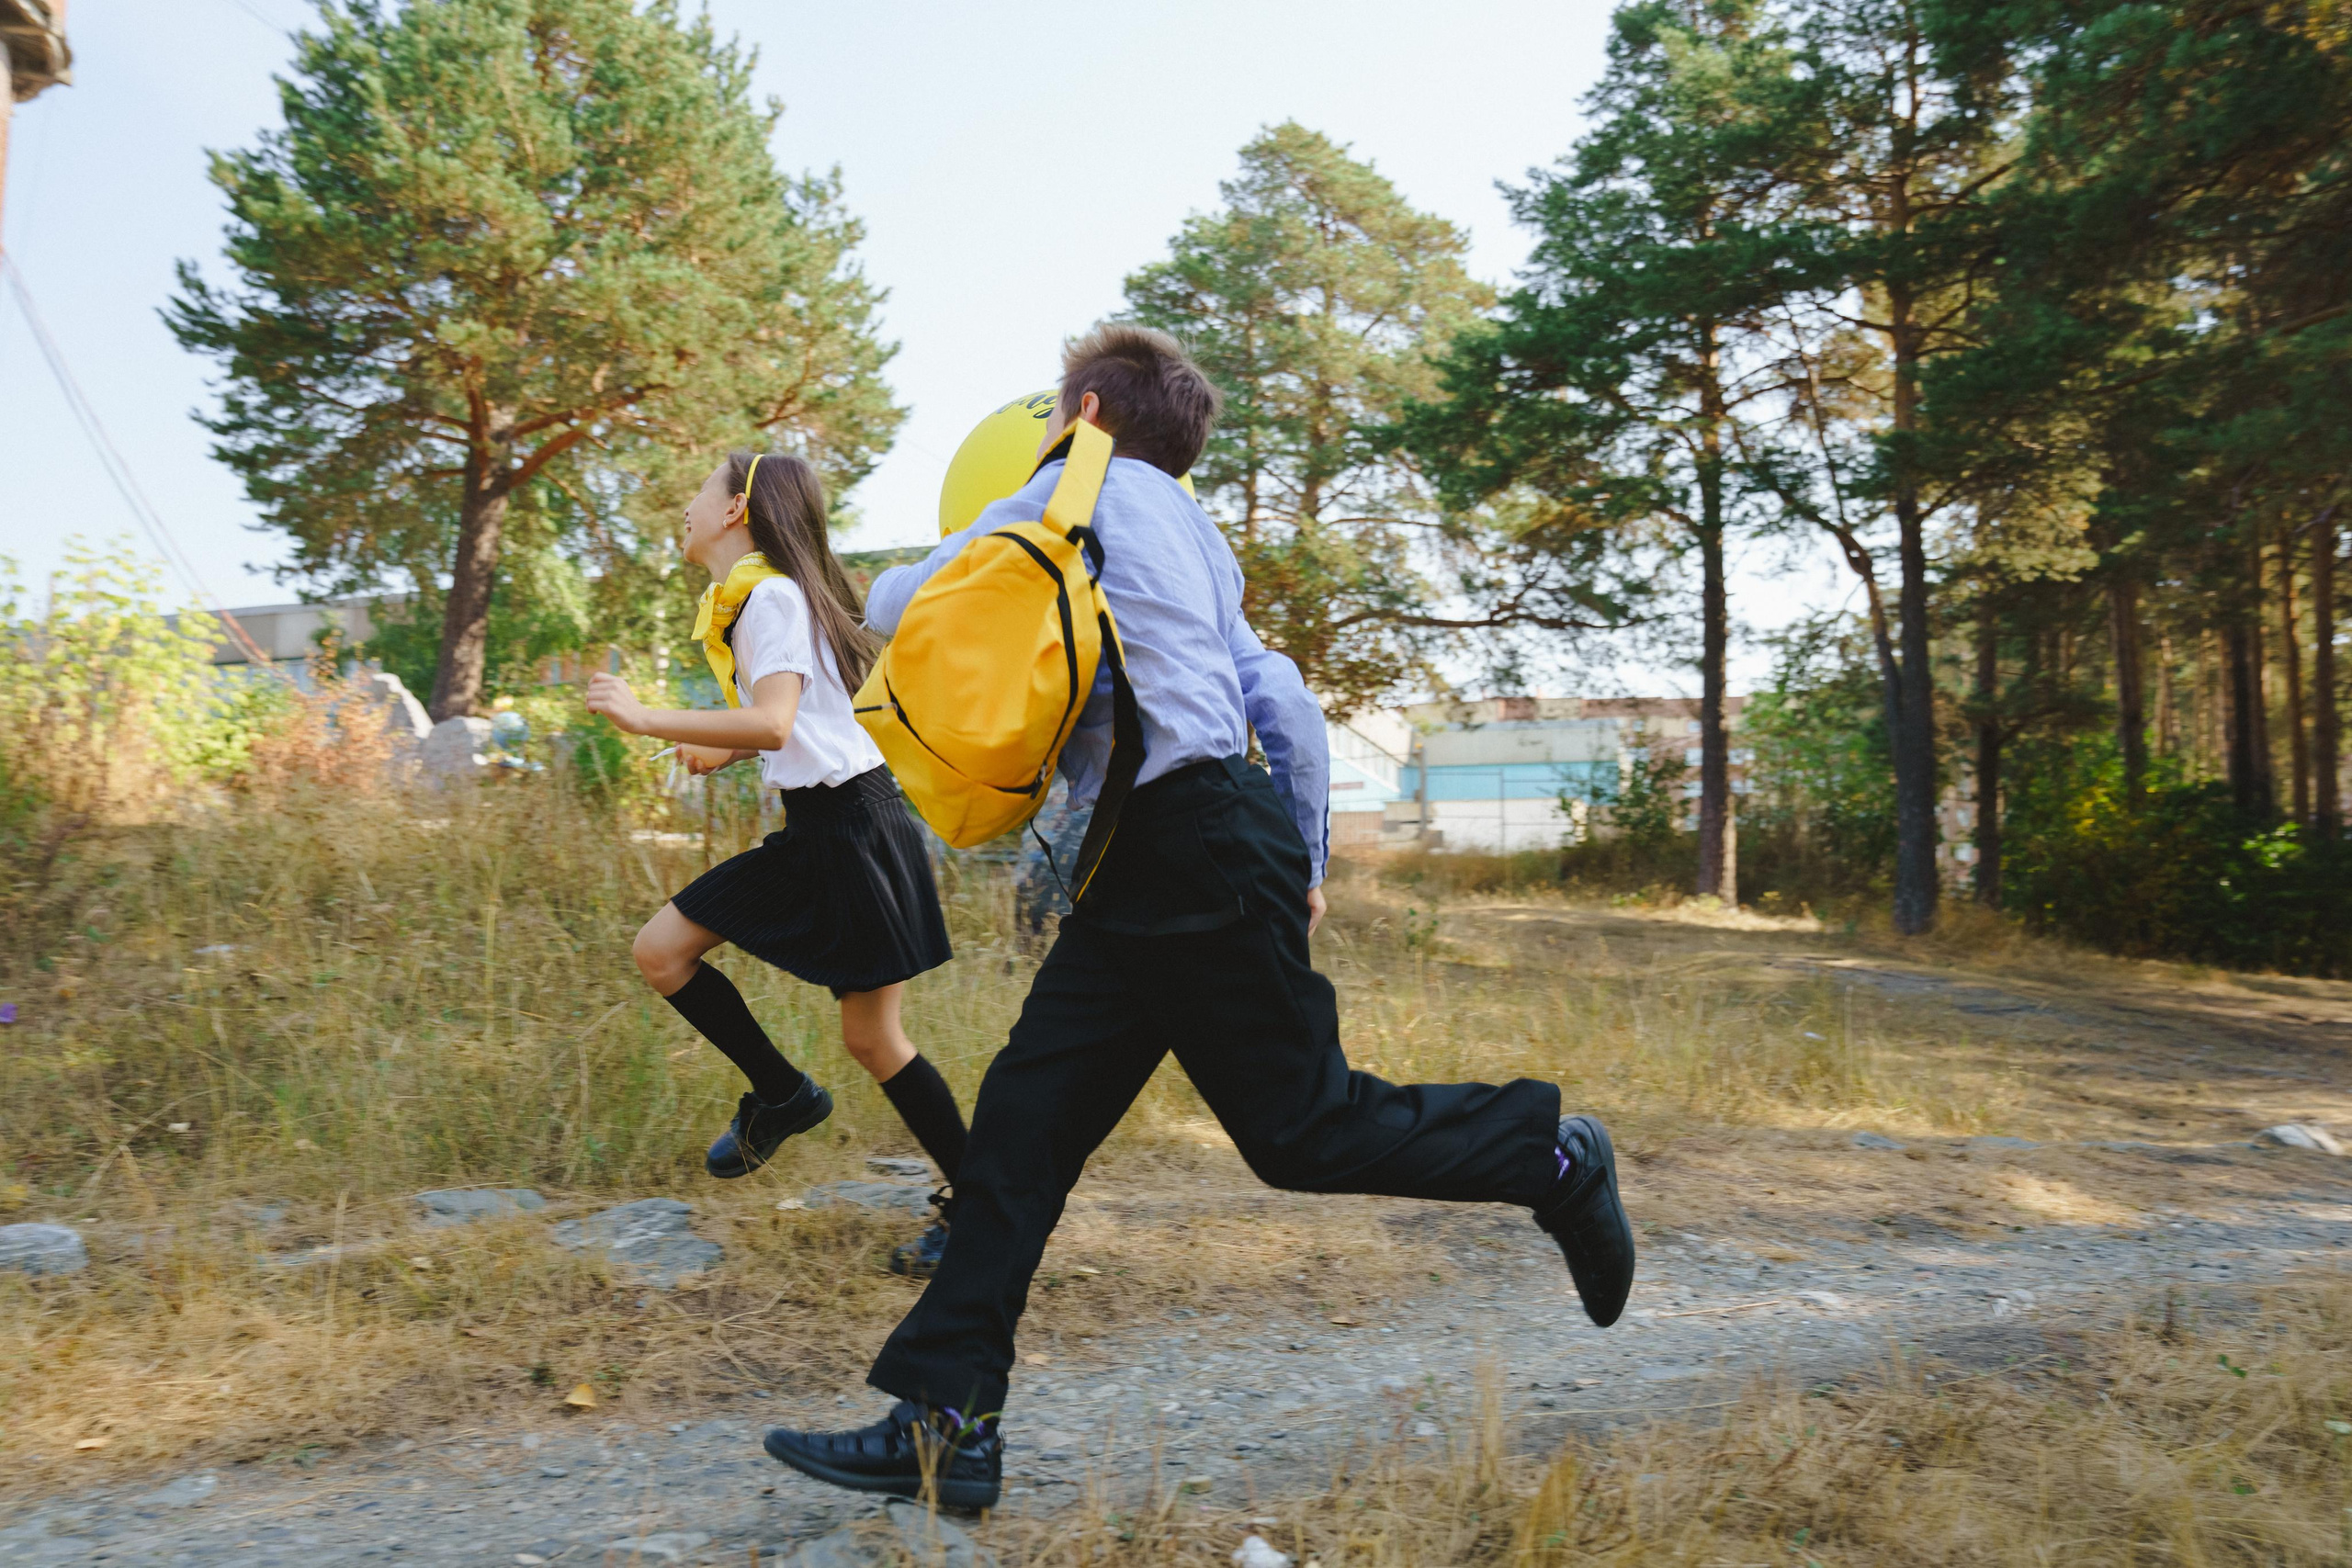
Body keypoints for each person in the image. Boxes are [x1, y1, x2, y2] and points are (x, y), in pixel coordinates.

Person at [759, 328, 1637, 1510]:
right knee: (1022, 1129)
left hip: (1187, 845)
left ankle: (1553, 1156)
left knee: (1301, 1132)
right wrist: (1305, 850)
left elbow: (911, 595)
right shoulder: (1196, 536)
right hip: (1173, 852)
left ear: (1080, 410)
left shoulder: (1073, 485)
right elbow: (1282, 699)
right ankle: (946, 1425)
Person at [585, 451, 964, 1274]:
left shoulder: (771, 594)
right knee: (872, 1036)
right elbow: (804, 717)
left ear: (734, 510)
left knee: (669, 952)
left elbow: (777, 721)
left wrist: (647, 717)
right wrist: (723, 751)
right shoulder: (769, 597)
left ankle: (794, 1100)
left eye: (698, 488)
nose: (685, 503)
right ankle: (807, 1106)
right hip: (842, 821)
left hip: (849, 829)